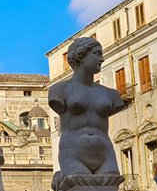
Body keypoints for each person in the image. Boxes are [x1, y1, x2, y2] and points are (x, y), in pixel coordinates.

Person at [47, 38, 124, 181]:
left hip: (105, 154)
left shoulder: (111, 94)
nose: (102, 59)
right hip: (73, 154)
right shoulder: (59, 90)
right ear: (81, 56)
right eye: (97, 54)